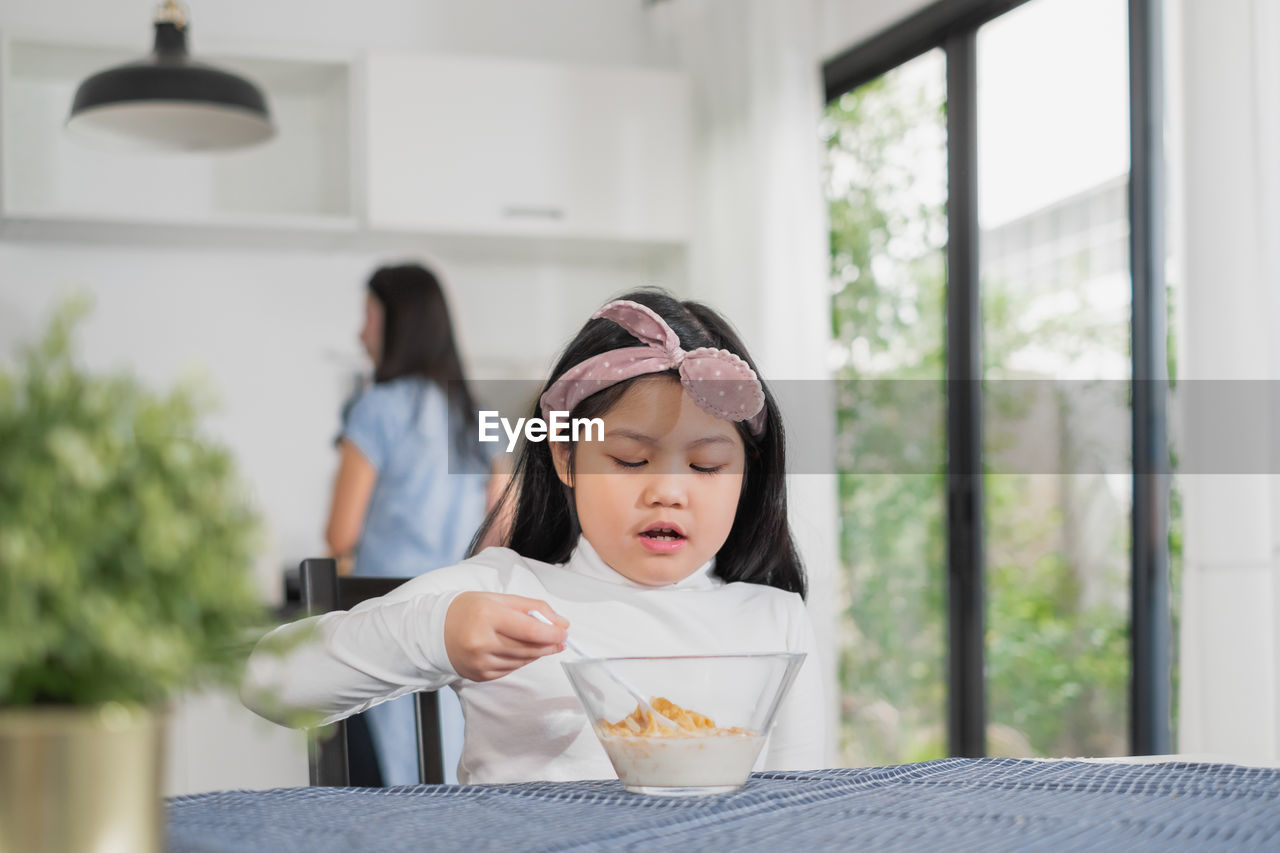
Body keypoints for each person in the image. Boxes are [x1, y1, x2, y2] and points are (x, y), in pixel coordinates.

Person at [245, 289, 825, 783]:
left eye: (706, 468)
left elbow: (804, 813)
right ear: (567, 456)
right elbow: (268, 680)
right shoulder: (505, 591)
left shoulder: (774, 621)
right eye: (628, 459)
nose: (669, 492)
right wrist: (437, 633)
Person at [324, 262, 499, 786]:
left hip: (383, 622)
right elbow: (501, 532)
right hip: (453, 624)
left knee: (381, 788)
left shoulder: (376, 410)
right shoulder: (476, 415)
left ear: (398, 324)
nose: (361, 333)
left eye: (369, 317)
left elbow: (339, 534)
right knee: (441, 773)